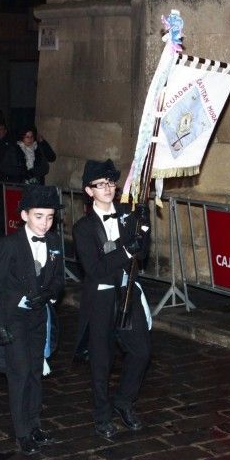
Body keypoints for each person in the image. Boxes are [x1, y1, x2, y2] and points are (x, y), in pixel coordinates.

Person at [72, 158, 152, 439]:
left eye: (111, 183)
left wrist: (143, 227)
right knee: (101, 360)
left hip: (128, 292)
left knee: (140, 351)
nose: (107, 188)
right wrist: (126, 250)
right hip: (102, 300)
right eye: (100, 184)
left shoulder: (129, 216)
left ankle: (124, 401)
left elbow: (141, 252)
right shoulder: (83, 228)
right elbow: (95, 269)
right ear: (89, 190)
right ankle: (102, 414)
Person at [0, 185, 64, 455]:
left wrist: (49, 295)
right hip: (13, 319)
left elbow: (58, 281)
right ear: (24, 215)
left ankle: (35, 424)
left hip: (38, 318)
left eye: (50, 217)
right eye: (39, 216)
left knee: (35, 372)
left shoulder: (53, 243)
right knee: (18, 375)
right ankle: (22, 433)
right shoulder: (10, 244)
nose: (45, 223)